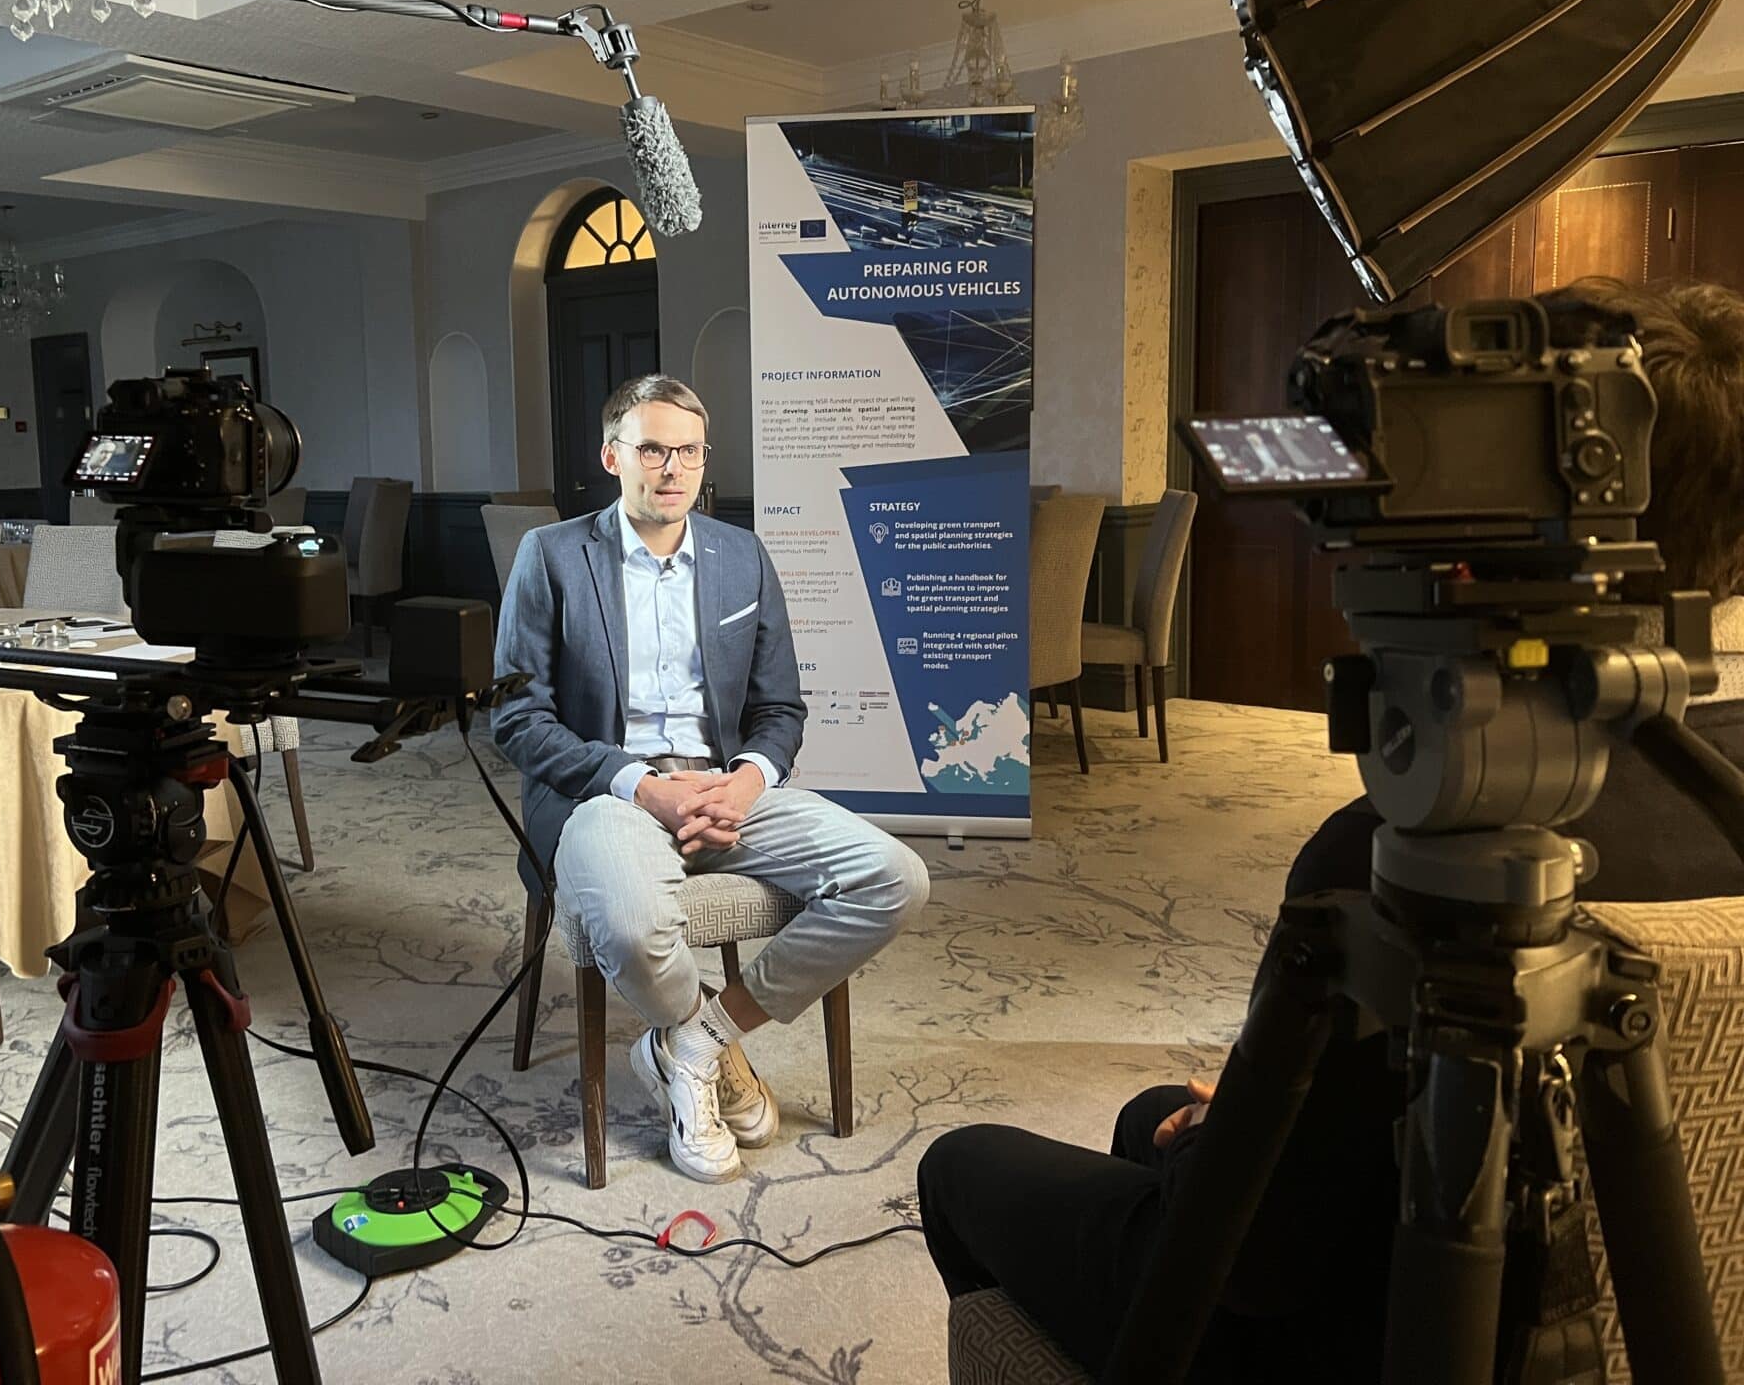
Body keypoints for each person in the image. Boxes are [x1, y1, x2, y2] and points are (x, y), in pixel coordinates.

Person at [918, 278, 1744, 1379]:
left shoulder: (1386, 863)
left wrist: (1220, 1151)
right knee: (1151, 1113)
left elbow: (1257, 1266)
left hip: (1350, 1339)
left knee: (960, 1163)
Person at [493, 373, 930, 1183]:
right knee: (630, 927)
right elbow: (517, 720)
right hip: (610, 793)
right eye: (653, 449)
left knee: (894, 878)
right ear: (612, 456)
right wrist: (640, 785)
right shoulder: (550, 556)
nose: (673, 469)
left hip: (727, 788)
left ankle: (695, 1045)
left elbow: (780, 709)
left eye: (689, 451)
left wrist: (747, 782)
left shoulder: (741, 555)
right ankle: (706, 1052)